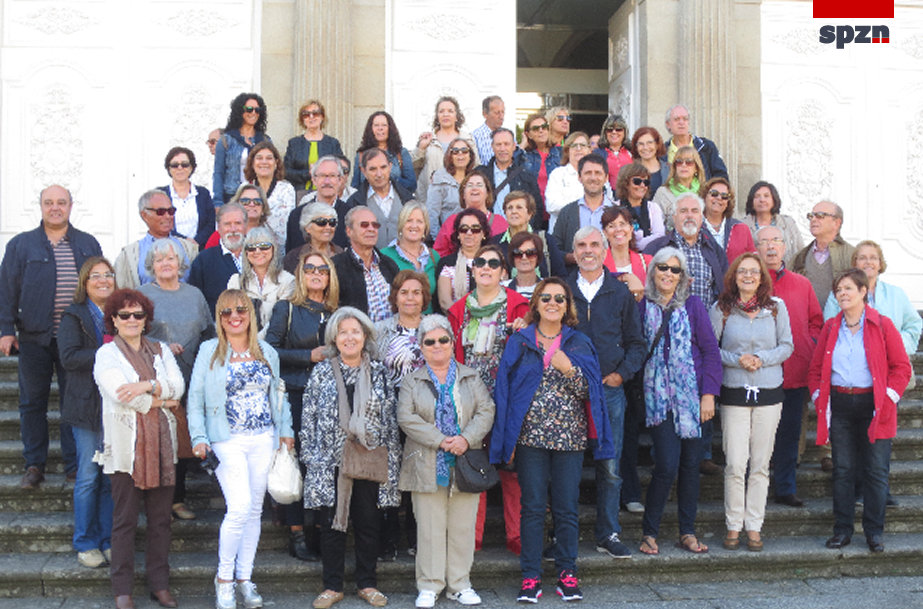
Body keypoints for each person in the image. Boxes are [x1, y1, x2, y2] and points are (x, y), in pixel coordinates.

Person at [493, 277, 613, 602]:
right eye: (545, 297)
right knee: (532, 508)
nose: (552, 303)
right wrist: (507, 439)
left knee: (566, 509)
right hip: (530, 438)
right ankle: (530, 577)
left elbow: (593, 393)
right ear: (536, 303)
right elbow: (505, 391)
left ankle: (567, 574)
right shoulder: (519, 342)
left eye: (559, 299)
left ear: (567, 306)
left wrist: (569, 370)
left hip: (569, 440)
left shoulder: (578, 344)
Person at [187, 290, 294, 609]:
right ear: (218, 318)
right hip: (226, 439)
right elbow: (195, 399)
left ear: (250, 313)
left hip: (264, 438)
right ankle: (224, 580)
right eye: (225, 312)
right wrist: (197, 436)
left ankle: (245, 579)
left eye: (240, 310)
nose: (234, 316)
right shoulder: (209, 351)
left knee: (254, 510)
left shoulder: (266, 352)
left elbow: (279, 395)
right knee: (239, 507)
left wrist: (285, 432)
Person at [0, 185, 101, 489]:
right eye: (49, 203)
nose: (55, 208)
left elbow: (100, 286)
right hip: (33, 336)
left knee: (75, 401)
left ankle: (74, 466)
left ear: (71, 206)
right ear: (40, 206)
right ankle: (34, 465)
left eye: (61, 202)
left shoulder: (86, 243)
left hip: (77, 338)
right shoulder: (22, 245)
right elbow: (6, 289)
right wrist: (6, 330)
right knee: (32, 403)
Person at [301, 307, 401, 609]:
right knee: (332, 524)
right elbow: (309, 415)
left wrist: (391, 461)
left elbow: (389, 420)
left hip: (369, 458)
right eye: (343, 332)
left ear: (365, 336)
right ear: (334, 337)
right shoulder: (321, 372)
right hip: (330, 460)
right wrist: (311, 457)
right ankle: (332, 587)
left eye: (355, 331)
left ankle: (367, 584)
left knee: (369, 523)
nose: (349, 337)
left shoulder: (380, 373)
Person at [93, 288, 185, 609]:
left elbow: (179, 385)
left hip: (163, 447)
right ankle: (122, 590)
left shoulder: (161, 350)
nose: (132, 320)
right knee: (125, 521)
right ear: (114, 321)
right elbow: (119, 394)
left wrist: (146, 386)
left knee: (160, 521)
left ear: (146, 319)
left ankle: (159, 584)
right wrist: (161, 400)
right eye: (124, 315)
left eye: (138, 314)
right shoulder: (106, 354)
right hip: (124, 450)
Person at [810, 269, 912, 554]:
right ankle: (842, 530)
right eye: (838, 289)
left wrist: (889, 398)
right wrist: (820, 397)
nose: (842, 294)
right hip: (841, 405)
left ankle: (874, 533)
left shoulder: (883, 325)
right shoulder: (831, 327)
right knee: (842, 470)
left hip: (874, 406)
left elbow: (902, 368)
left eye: (848, 289)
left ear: (863, 291)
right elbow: (816, 369)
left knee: (876, 471)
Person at [397, 314, 494, 609]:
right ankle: (429, 585)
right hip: (427, 462)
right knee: (429, 528)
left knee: (463, 527)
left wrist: (465, 439)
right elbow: (406, 417)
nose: (437, 345)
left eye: (443, 340)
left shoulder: (470, 376)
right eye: (430, 341)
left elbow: (486, 410)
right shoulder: (411, 381)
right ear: (421, 347)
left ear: (452, 343)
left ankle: (459, 584)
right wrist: (441, 440)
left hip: (465, 460)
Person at [565, 227, 645, 559]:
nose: (588, 250)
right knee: (565, 468)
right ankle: (562, 535)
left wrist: (620, 376)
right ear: (573, 251)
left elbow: (637, 344)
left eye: (594, 244)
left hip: (608, 391)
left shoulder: (620, 292)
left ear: (605, 248)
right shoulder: (561, 289)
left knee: (610, 467)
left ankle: (608, 532)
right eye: (581, 244)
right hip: (567, 392)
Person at [636, 247, 721, 556]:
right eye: (663, 268)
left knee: (689, 466)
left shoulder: (695, 306)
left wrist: (708, 394)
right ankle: (649, 532)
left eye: (675, 270)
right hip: (659, 398)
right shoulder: (641, 306)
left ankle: (687, 531)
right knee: (667, 465)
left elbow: (711, 352)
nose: (668, 274)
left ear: (682, 276)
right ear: (653, 271)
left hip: (692, 399)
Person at [447, 245, 530, 556]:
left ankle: (517, 536)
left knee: (512, 471)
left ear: (503, 272)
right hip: (470, 400)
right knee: (474, 465)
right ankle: (473, 537)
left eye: (493, 263)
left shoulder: (520, 308)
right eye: (479, 262)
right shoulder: (458, 310)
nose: (485, 267)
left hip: (508, 398)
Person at [710, 253, 793, 552]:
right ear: (734, 276)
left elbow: (787, 345)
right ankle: (733, 524)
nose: (748, 276)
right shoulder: (721, 309)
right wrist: (737, 360)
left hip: (769, 392)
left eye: (754, 272)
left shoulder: (776, 308)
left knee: (759, 464)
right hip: (734, 393)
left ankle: (754, 526)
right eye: (742, 271)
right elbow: (710, 348)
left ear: (762, 277)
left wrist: (762, 359)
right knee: (734, 463)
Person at [643, 192, 729, 475]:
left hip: (701, 327)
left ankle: (701, 454)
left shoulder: (712, 248)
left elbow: (723, 286)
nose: (689, 215)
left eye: (695, 210)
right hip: (664, 331)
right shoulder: (659, 247)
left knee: (702, 386)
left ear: (702, 216)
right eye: (684, 211)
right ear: (674, 217)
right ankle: (664, 459)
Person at [266, 251, 338, 562]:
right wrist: (308, 356)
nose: (316, 273)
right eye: (310, 268)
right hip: (296, 393)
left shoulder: (338, 312)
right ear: (300, 274)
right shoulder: (287, 309)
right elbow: (269, 350)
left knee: (322, 464)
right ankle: (296, 533)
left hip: (330, 397)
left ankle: (322, 531)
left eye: (323, 269)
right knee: (296, 462)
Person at [139, 238, 214, 521]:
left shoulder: (194, 295)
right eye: (159, 260)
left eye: (171, 258)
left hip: (189, 377)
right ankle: (156, 503)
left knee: (181, 440)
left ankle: (177, 500)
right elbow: (133, 333)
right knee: (158, 441)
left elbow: (207, 332)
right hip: (155, 380)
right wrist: (162, 347)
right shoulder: (142, 294)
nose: (166, 264)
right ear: (151, 266)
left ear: (180, 263)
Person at [756, 226, 823, 508]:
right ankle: (755, 488)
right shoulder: (749, 282)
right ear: (756, 248)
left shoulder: (802, 284)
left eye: (776, 241)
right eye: (764, 242)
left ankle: (785, 487)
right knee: (758, 434)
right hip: (757, 374)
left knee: (789, 433)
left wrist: (809, 343)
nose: (771, 247)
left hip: (795, 372)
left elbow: (816, 321)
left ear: (785, 247)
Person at [57, 257, 116, 569]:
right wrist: (108, 353)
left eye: (108, 274)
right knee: (89, 476)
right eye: (96, 276)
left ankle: (108, 540)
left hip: (115, 408)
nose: (103, 280)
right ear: (84, 281)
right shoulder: (74, 315)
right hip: (85, 408)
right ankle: (85, 542)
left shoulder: (119, 312)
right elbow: (68, 358)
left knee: (110, 478)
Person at [821, 241, 922, 359]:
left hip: (894, 360)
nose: (868, 262)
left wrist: (894, 344)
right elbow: (830, 327)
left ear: (880, 264)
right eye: (862, 258)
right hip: (853, 362)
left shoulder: (896, 294)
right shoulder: (839, 294)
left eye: (873, 258)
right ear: (855, 263)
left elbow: (914, 324)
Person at [113, 190, 198, 289]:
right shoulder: (129, 255)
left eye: (171, 211)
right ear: (144, 215)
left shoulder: (189, 249)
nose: (167, 217)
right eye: (160, 212)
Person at [333, 206, 401, 322]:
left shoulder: (388, 264)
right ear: (349, 231)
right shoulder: (336, 266)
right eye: (364, 225)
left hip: (390, 336)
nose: (371, 229)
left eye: (375, 225)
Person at [227, 226, 296, 338]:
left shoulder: (288, 281)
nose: (257, 251)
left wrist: (256, 342)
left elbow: (281, 320)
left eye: (264, 246)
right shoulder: (235, 281)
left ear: (274, 249)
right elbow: (231, 317)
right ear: (245, 252)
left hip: (275, 344)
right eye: (251, 247)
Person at [345, 148, 415, 249]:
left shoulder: (407, 199)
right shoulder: (354, 203)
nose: (379, 174)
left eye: (383, 167)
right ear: (363, 171)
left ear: (390, 167)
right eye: (373, 169)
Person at [552, 155, 615, 268]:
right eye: (588, 173)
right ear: (579, 177)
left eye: (598, 173)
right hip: (575, 276)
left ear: (606, 178)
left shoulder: (617, 213)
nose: (593, 177)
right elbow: (555, 250)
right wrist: (574, 257)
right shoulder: (567, 212)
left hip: (611, 275)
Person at [413, 96, 479, 204]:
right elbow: (415, 167)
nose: (445, 114)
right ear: (437, 116)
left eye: (450, 111)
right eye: (441, 111)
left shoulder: (468, 140)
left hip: (460, 199)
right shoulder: (429, 139)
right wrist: (421, 148)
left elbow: (475, 167)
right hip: (431, 199)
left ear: (457, 116)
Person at [792, 201, 855, 311]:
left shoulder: (853, 255)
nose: (813, 220)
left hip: (840, 323)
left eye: (820, 215)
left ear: (837, 223)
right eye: (811, 216)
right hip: (810, 325)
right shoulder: (800, 257)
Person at [475, 128, 544, 229]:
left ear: (514, 146)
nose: (503, 149)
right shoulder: (480, 174)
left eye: (506, 144)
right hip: (486, 233)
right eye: (498, 144)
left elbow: (536, 209)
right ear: (492, 147)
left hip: (516, 234)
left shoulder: (526, 176)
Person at [491, 191, 566, 281]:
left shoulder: (545, 240)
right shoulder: (495, 243)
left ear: (529, 214)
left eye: (519, 208)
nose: (514, 211)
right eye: (510, 208)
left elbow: (560, 275)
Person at [381, 202, 440, 313]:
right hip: (397, 324)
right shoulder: (384, 256)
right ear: (401, 225)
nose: (414, 226)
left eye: (419, 221)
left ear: (425, 227)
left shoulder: (434, 257)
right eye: (409, 220)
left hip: (428, 325)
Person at [433, 172, 508, 257]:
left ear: (487, 193)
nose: (474, 188)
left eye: (479, 185)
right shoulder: (451, 222)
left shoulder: (500, 222)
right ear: (463, 194)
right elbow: (440, 254)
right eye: (469, 185)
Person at [213, 92, 271, 204]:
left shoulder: (265, 141)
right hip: (231, 195)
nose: (253, 113)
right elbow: (218, 172)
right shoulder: (226, 140)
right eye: (249, 109)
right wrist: (218, 201)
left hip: (258, 196)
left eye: (257, 110)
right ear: (240, 111)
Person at [189, 203, 248, 312]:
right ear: (218, 227)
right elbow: (195, 302)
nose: (233, 229)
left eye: (238, 223)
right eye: (227, 224)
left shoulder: (258, 255)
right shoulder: (204, 260)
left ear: (245, 226)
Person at [286, 156, 351, 254]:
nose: (327, 181)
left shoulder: (350, 216)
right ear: (313, 179)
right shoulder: (297, 215)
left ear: (340, 180)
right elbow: (291, 256)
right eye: (322, 176)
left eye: (332, 176)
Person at [435, 209, 490, 313]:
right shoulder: (447, 264)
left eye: (475, 229)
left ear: (483, 233)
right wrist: (466, 317)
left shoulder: (493, 262)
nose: (469, 233)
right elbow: (445, 302)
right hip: (456, 321)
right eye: (463, 229)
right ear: (458, 234)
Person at [283, 100, 344, 194]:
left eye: (315, 113)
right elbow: (286, 172)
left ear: (322, 117)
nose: (311, 117)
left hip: (327, 191)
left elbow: (341, 168)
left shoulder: (332, 143)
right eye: (306, 114)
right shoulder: (294, 143)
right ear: (302, 119)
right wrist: (308, 173)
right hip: (300, 192)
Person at [160, 146, 215, 248]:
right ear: (169, 168)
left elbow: (211, 223)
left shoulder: (203, 194)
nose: (180, 168)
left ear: (191, 167)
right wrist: (184, 242)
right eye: (175, 165)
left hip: (199, 249)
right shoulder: (160, 194)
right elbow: (159, 223)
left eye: (184, 164)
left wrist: (196, 242)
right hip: (169, 249)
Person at [244, 141, 296, 250]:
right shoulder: (244, 188)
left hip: (278, 248)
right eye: (259, 158)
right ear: (252, 163)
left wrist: (255, 215)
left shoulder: (286, 189)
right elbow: (241, 218)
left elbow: (283, 223)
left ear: (276, 163)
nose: (264, 162)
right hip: (250, 246)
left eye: (269, 158)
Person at [741, 181, 804, 269]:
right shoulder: (742, 226)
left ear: (774, 199)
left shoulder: (788, 223)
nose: (762, 200)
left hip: (786, 275)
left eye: (766, 196)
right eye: (757, 196)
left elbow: (800, 253)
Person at [351, 111, 416, 194]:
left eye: (384, 125)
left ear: (390, 128)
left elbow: (412, 185)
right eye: (376, 125)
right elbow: (355, 187)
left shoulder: (401, 153)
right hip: (368, 204)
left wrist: (389, 177)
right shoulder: (361, 155)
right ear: (370, 129)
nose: (380, 128)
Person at [661, 104, 728, 180]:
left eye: (685, 119)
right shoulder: (662, 152)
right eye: (676, 119)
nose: (681, 122)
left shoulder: (706, 147)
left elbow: (721, 176)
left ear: (688, 122)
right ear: (668, 124)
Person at [426, 137, 475, 239]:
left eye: (464, 151)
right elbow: (432, 215)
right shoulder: (439, 179)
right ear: (450, 156)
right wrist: (439, 240)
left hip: (473, 236)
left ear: (470, 156)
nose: (460, 154)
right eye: (455, 151)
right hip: (448, 238)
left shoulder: (476, 179)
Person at [700, 177, 756, 265]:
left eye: (724, 196)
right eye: (714, 193)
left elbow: (753, 262)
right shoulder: (695, 228)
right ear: (704, 196)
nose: (719, 198)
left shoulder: (742, 229)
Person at [545, 132, 593, 232]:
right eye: (574, 146)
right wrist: (585, 203)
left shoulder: (597, 174)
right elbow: (552, 206)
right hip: (563, 233)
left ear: (589, 150)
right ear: (567, 151)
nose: (578, 149)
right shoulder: (558, 174)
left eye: (583, 145)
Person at [613, 163, 664, 251]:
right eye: (637, 181)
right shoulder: (614, 207)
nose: (642, 185)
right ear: (626, 184)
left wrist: (634, 244)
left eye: (646, 182)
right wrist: (649, 237)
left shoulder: (653, 208)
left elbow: (659, 237)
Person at [283, 201, 345, 274]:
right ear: (307, 227)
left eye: (332, 222)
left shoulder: (343, 256)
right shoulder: (293, 257)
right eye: (321, 222)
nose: (328, 227)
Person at [203, 183, 270, 249]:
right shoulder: (220, 236)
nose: (252, 204)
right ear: (236, 204)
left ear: (263, 208)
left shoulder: (270, 236)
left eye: (257, 201)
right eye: (245, 201)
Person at [652, 146, 706, 227]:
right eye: (679, 162)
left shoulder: (705, 192)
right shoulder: (663, 193)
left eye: (689, 162)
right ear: (674, 167)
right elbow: (654, 225)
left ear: (696, 168)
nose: (684, 165)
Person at [521, 112, 562, 197]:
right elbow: (511, 167)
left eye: (544, 127)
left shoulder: (560, 153)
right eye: (536, 129)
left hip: (556, 206)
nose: (541, 131)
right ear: (528, 134)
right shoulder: (525, 155)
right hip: (532, 206)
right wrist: (523, 145)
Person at [594, 115, 633, 192]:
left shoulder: (632, 152)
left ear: (624, 132)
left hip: (629, 195)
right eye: (610, 129)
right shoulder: (597, 153)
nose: (614, 132)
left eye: (618, 129)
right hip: (606, 195)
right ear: (605, 133)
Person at [502, 232, 544, 299]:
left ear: (538, 256)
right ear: (512, 257)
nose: (524, 257)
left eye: (530, 253)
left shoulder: (549, 288)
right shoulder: (501, 289)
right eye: (518, 253)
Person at [630, 127, 670, 195]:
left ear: (657, 145)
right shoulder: (629, 172)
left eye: (649, 143)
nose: (645, 147)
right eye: (641, 144)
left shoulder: (670, 169)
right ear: (636, 147)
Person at [471, 95, 506, 163]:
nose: (501, 117)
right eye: (497, 113)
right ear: (485, 114)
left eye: (503, 112)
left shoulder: (508, 135)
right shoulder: (475, 137)